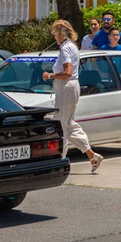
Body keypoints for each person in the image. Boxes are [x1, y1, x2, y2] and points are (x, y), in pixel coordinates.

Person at [42, 19, 103, 173]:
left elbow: (67, 72)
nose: (53, 36)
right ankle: (92, 155)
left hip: (66, 88)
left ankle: (60, 160)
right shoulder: (72, 46)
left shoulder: (65, 49)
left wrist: (50, 75)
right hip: (72, 87)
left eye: (54, 33)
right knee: (68, 124)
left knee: (60, 124)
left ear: (60, 33)